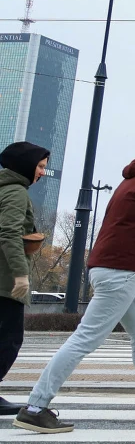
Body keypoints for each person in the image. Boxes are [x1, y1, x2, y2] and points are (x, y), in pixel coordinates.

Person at [16, 126, 135, 434]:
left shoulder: (131, 181)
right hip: (121, 272)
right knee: (84, 339)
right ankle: (36, 406)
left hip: (113, 267)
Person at [0, 142, 46, 416]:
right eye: (40, 166)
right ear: (25, 165)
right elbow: (8, 234)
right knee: (10, 337)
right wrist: (20, 274)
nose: (42, 172)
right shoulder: (16, 193)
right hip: (5, 280)